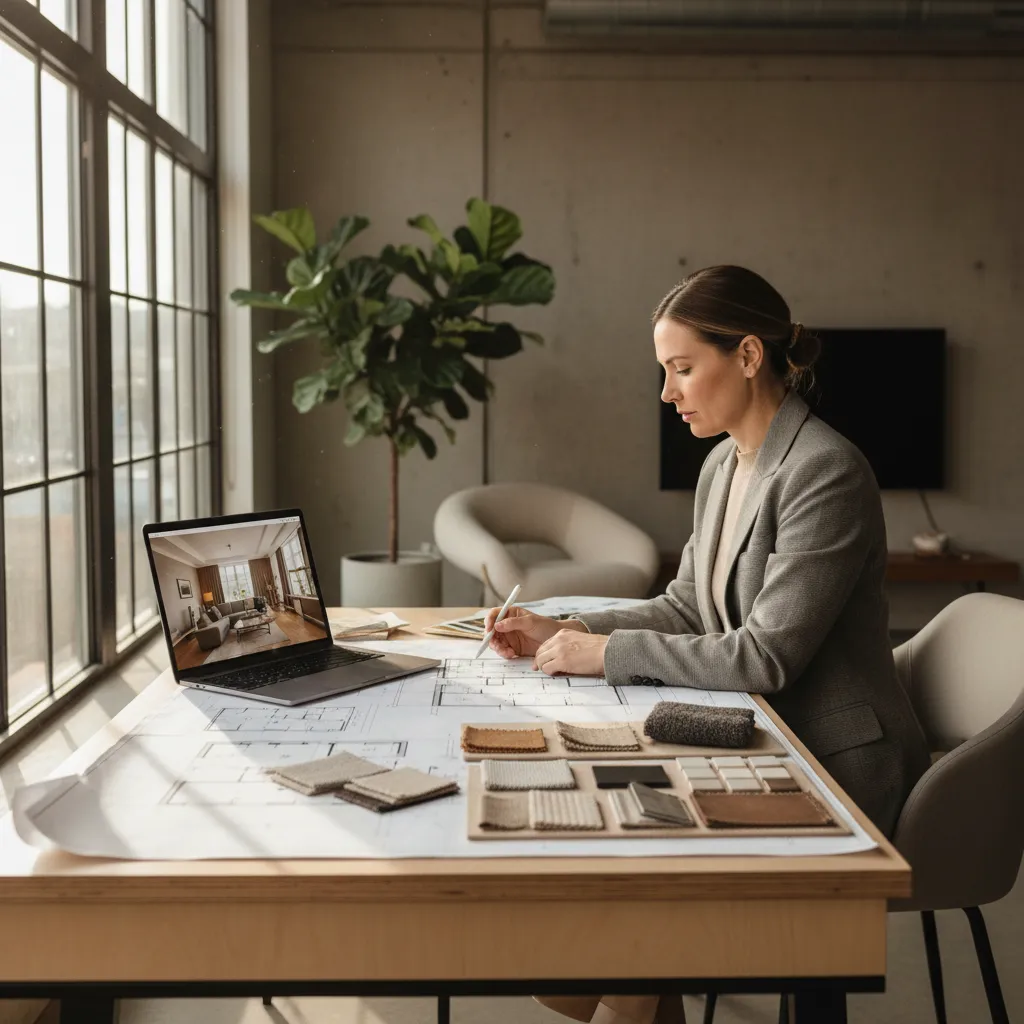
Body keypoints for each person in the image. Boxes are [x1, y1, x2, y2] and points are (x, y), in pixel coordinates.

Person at [485, 265, 931, 1024]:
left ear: (750, 356)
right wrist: (573, 631)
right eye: (666, 372)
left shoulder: (825, 472)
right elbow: (690, 606)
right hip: (758, 735)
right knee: (595, 901)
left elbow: (765, 655)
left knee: (641, 904)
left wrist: (607, 656)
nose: (668, 392)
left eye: (683, 369)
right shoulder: (723, 463)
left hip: (833, 758)